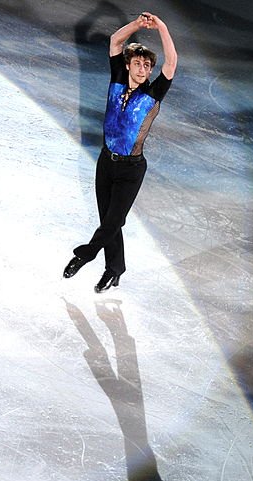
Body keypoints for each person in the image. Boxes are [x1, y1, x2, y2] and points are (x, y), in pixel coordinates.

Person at [63, 11, 177, 292]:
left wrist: (160, 26)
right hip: (106, 161)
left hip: (131, 169)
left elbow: (171, 62)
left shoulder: (153, 93)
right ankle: (114, 270)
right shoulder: (116, 78)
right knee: (109, 223)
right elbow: (115, 41)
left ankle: (84, 255)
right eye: (137, 63)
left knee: (114, 221)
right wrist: (137, 25)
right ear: (128, 66)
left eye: (146, 65)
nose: (142, 69)